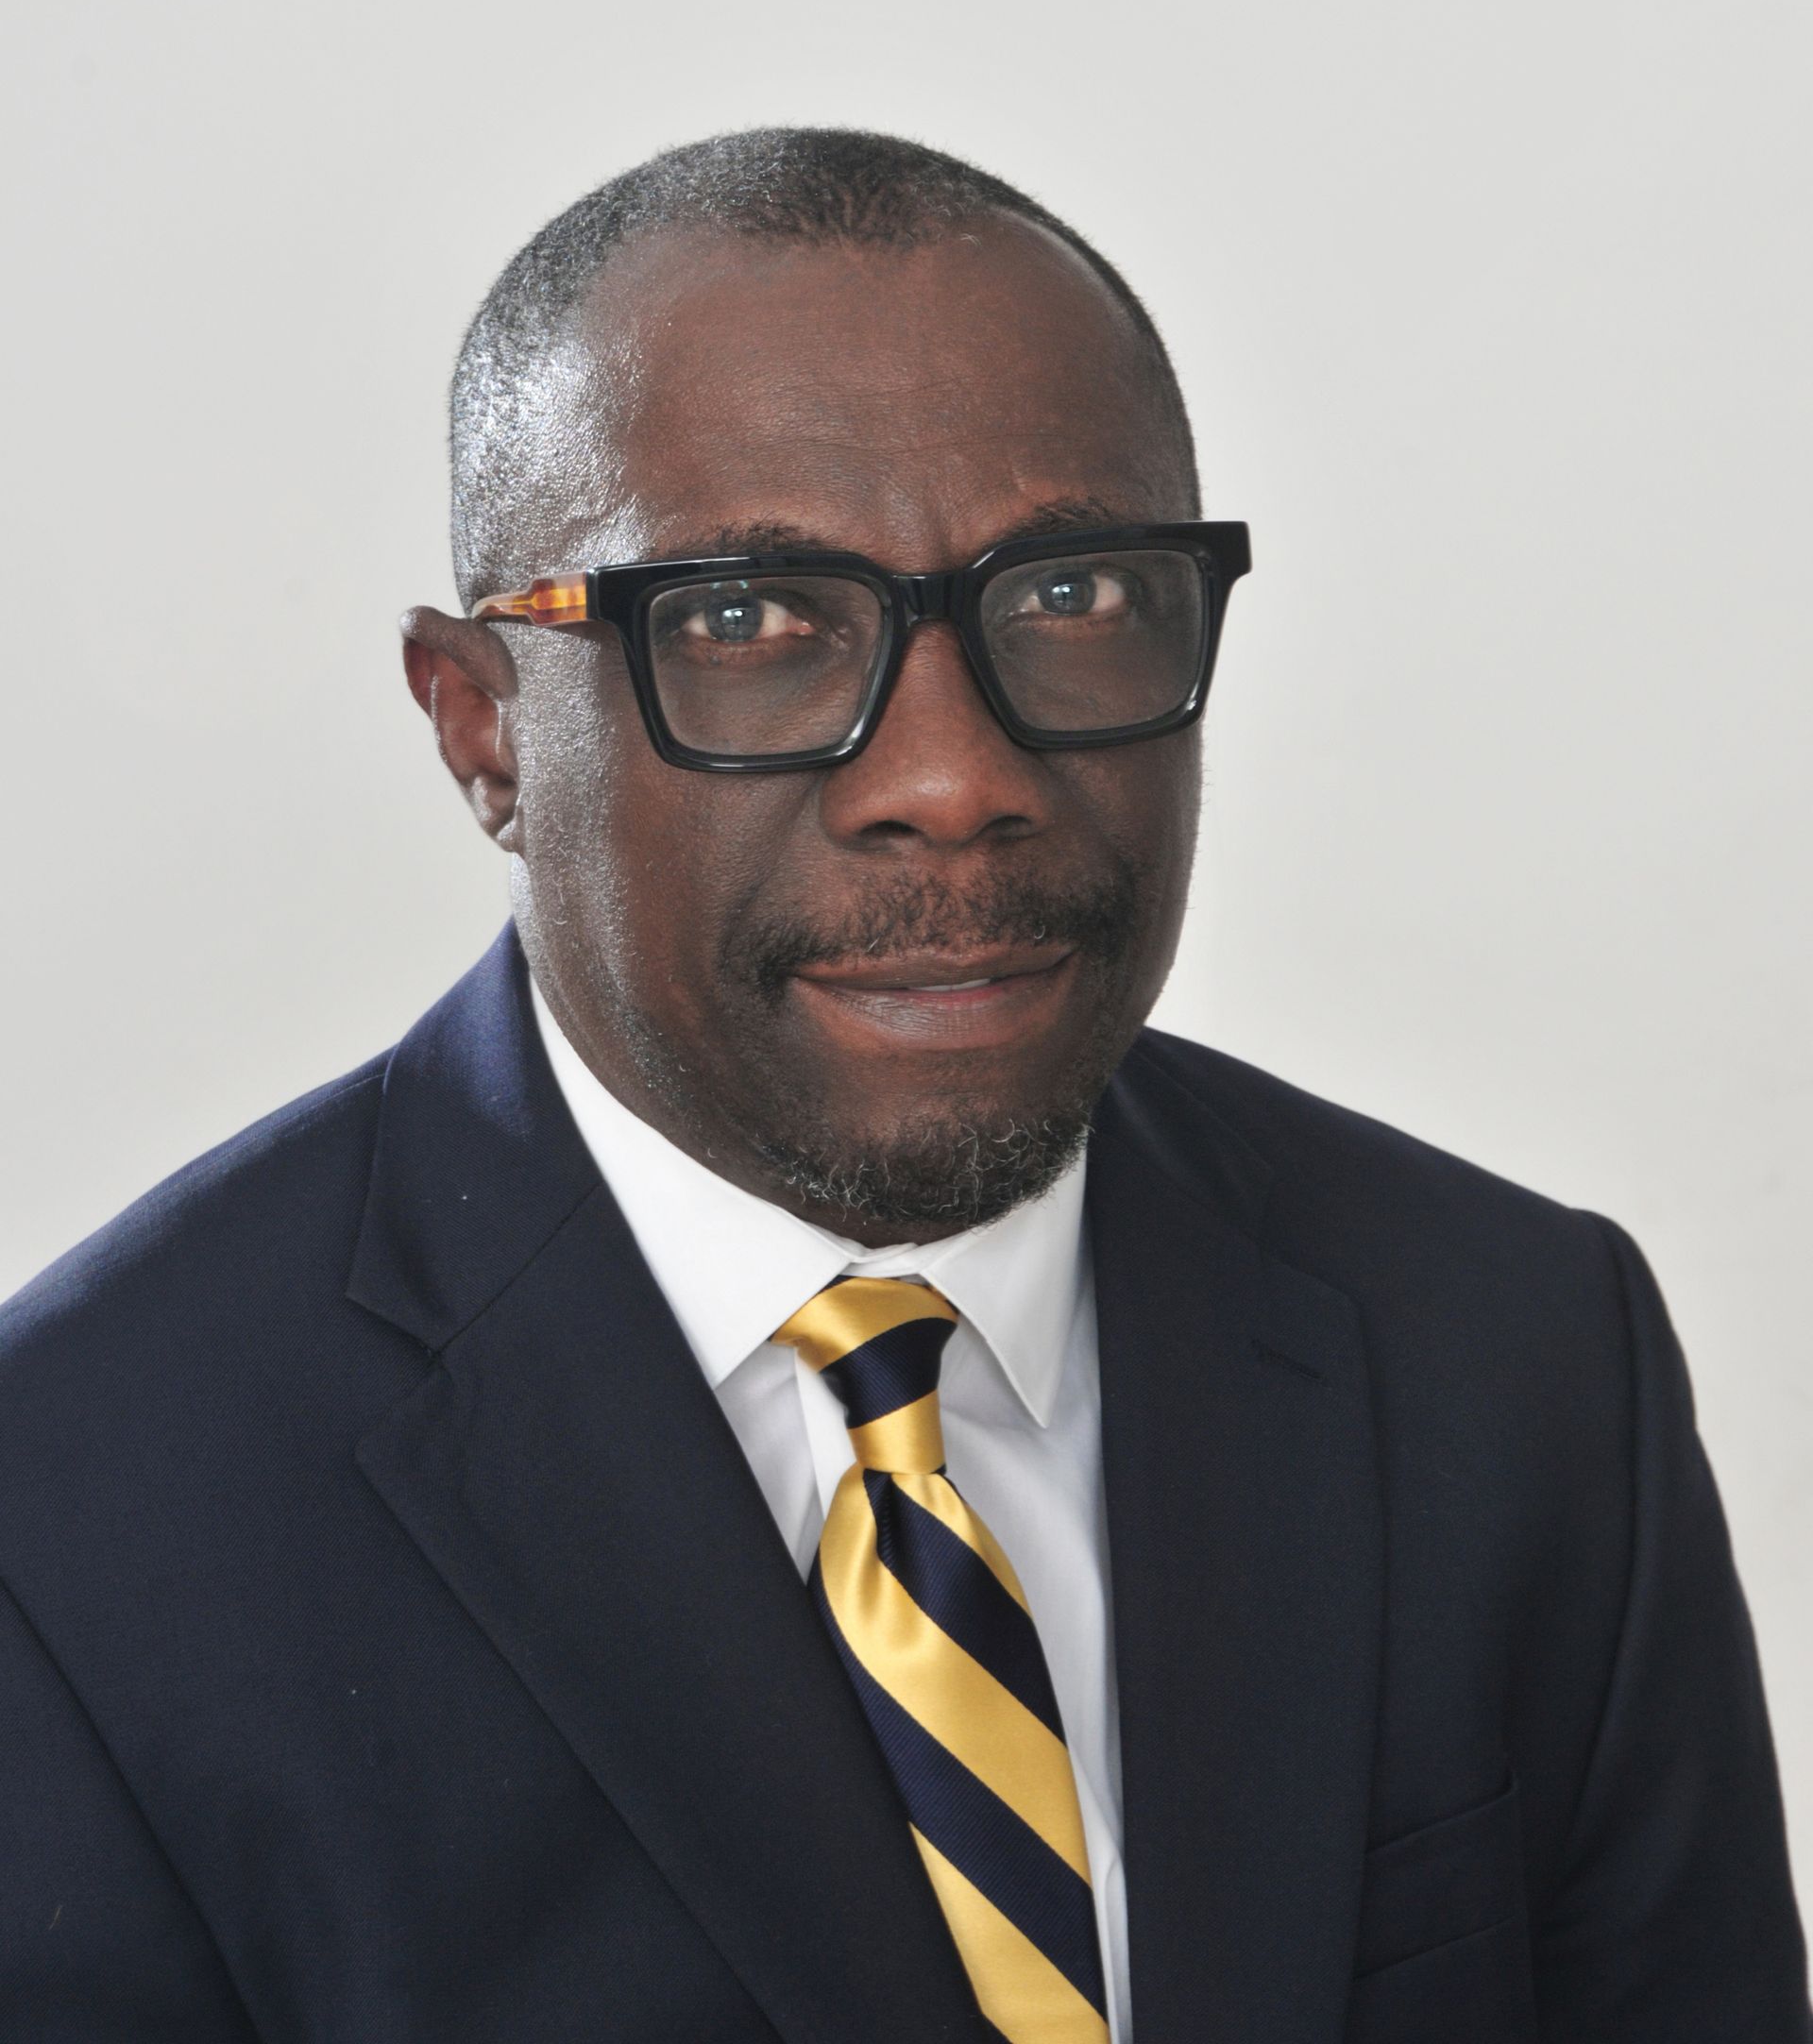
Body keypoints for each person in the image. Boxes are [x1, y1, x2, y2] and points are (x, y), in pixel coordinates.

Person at [0, 127, 1805, 2043]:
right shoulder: (76, 1530)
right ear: (483, 727)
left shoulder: (1519, 1357)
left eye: (1075, 595)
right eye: (744, 620)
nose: (954, 778)